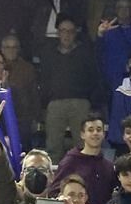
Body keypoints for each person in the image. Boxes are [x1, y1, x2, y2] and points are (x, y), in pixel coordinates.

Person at [38, 17, 99, 161]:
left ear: (75, 33)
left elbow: (94, 78)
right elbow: (44, 79)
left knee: (84, 144)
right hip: (55, 103)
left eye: (70, 31)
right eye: (63, 31)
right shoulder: (48, 54)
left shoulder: (85, 53)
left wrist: (93, 103)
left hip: (80, 103)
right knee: (53, 146)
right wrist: (44, 103)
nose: (66, 35)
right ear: (58, 33)